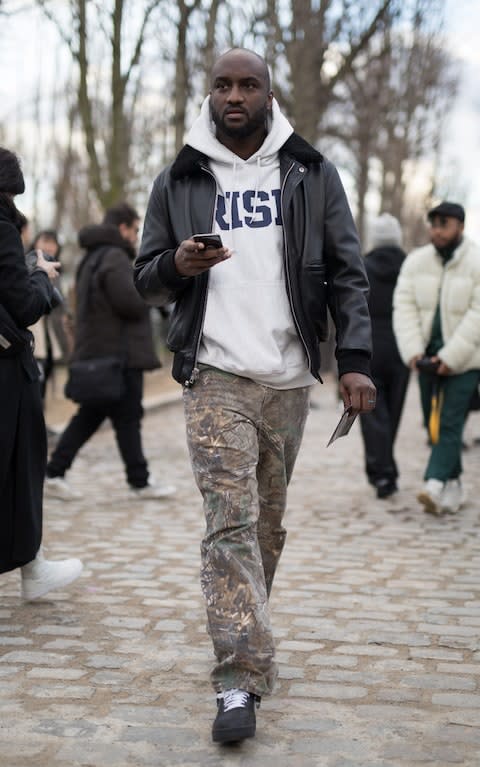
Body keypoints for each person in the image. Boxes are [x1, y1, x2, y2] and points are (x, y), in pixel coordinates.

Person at [134, 48, 376, 744]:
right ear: (208, 93)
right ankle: (238, 677)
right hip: (213, 372)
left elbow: (347, 271)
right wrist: (177, 264)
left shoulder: (311, 172)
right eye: (222, 84)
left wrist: (354, 358)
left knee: (264, 525)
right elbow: (144, 276)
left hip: (288, 377)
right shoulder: (179, 176)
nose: (234, 95)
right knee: (228, 524)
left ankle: (247, 627)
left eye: (248, 85)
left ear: (270, 95)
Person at [44, 202, 176, 501]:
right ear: (122, 228)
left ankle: (57, 471)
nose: (136, 236)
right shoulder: (115, 258)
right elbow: (129, 302)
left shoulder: (92, 258)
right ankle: (137, 481)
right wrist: (152, 293)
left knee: (100, 416)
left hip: (104, 354)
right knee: (122, 417)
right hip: (118, 356)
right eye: (134, 229)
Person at [0, 146, 83, 600]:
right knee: (21, 463)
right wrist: (41, 276)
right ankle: (32, 566)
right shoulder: (2, 228)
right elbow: (25, 305)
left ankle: (33, 562)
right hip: (8, 372)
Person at [393, 201, 480, 515]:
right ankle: (454, 484)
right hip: (426, 359)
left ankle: (434, 481)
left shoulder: (476, 261)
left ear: (460, 226)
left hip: (467, 360)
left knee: (450, 420)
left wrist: (451, 356)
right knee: (432, 426)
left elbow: (477, 315)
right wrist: (414, 352)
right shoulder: (416, 262)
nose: (437, 230)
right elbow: (404, 308)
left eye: (444, 224)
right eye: (434, 223)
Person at [359, 213, 410, 498]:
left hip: (370, 346)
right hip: (402, 346)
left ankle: (381, 474)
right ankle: (386, 469)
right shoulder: (409, 268)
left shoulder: (362, 267)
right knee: (393, 412)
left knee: (373, 413)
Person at [28, 230, 73, 404]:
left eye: (52, 242)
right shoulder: (30, 264)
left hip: (50, 336)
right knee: (34, 386)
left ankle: (41, 426)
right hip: (34, 333)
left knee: (44, 381)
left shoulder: (58, 272)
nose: (49, 246)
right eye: (45, 241)